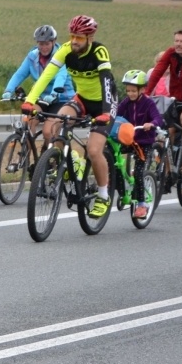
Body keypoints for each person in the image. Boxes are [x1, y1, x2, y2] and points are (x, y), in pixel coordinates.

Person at [22, 14, 117, 218]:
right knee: (55, 125)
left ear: (89, 38)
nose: (74, 41)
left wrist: (107, 113)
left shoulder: (99, 51)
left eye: (80, 37)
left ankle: (103, 196)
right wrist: (30, 100)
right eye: (73, 36)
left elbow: (107, 82)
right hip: (81, 98)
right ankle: (71, 160)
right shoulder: (66, 50)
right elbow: (47, 75)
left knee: (93, 150)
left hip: (104, 104)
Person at [1, 24, 75, 145]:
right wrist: (8, 90)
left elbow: (60, 76)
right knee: (28, 123)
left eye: (47, 44)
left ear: (54, 42)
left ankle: (51, 160)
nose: (44, 47)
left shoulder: (61, 55)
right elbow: (20, 74)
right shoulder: (32, 56)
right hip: (42, 98)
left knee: (48, 131)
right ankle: (26, 161)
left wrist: (54, 93)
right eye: (41, 44)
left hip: (61, 99)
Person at [144, 28, 182, 173]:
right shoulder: (171, 53)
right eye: (176, 41)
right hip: (176, 98)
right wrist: (146, 93)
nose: (178, 44)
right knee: (167, 132)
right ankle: (168, 172)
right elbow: (158, 71)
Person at [117, 70, 164, 218]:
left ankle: (142, 204)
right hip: (129, 139)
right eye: (128, 90)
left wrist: (152, 123)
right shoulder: (125, 103)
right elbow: (116, 115)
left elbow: (158, 119)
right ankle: (121, 190)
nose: (130, 94)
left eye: (133, 91)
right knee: (112, 159)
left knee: (138, 172)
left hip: (143, 143)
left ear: (142, 89)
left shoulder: (148, 103)